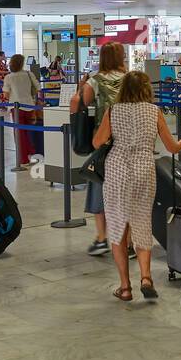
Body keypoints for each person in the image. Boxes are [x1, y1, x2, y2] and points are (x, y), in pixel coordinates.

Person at [91, 70, 181, 302]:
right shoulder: (154, 112)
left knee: (118, 228)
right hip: (144, 171)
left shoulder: (113, 111)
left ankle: (125, 287)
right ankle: (146, 278)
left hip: (117, 172)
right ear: (146, 89)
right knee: (142, 222)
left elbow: (97, 142)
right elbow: (171, 146)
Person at [70, 41, 126, 256]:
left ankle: (102, 237)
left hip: (104, 141)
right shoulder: (131, 78)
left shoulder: (95, 80)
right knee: (127, 191)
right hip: (130, 140)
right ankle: (127, 241)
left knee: (99, 186)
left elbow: (78, 104)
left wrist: (80, 86)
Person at [2, 54, 41, 171]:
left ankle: (23, 159)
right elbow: (38, 88)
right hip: (30, 106)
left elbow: (6, 94)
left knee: (19, 134)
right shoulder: (29, 74)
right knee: (30, 133)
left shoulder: (9, 77)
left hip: (16, 108)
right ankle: (33, 155)